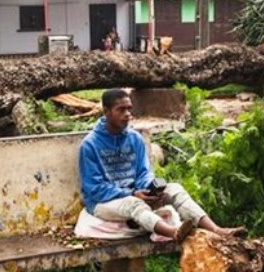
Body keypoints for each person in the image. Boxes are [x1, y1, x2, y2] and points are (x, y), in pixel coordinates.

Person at [78, 88, 245, 242]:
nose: (127, 114)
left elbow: (143, 173)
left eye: (129, 109)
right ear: (106, 111)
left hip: (135, 194)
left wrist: (151, 189)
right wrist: (132, 193)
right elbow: (94, 188)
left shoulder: (134, 139)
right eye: (121, 110)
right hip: (102, 203)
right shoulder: (90, 145)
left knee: (175, 189)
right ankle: (174, 232)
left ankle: (217, 230)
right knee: (133, 204)